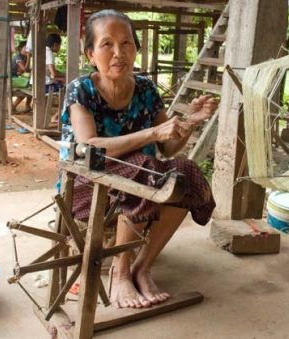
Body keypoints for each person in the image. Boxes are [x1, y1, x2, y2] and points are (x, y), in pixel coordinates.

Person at [60, 9, 217, 309]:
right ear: (91, 54)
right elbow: (90, 147)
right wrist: (152, 134)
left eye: (127, 43)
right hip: (86, 185)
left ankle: (141, 268)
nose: (119, 53)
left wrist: (188, 122)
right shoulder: (81, 91)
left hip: (143, 177)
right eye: (107, 44)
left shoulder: (145, 88)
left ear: (135, 49)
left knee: (184, 174)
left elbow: (169, 149)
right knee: (144, 170)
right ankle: (120, 275)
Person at [11, 41, 32, 113]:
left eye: (28, 48)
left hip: (16, 78)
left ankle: (27, 106)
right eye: (25, 48)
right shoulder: (18, 57)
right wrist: (29, 57)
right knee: (29, 87)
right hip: (11, 79)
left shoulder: (24, 57)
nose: (27, 50)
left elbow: (26, 70)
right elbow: (25, 69)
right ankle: (13, 107)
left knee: (31, 85)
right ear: (20, 48)